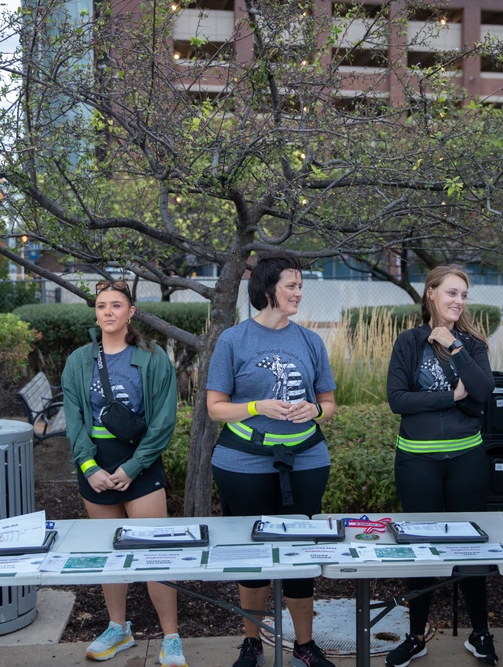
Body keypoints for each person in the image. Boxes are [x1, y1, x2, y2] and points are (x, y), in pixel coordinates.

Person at [206, 251, 337, 667]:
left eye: (300, 286)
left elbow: (329, 402)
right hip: (243, 463)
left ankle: (304, 644)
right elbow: (215, 408)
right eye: (291, 286)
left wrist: (314, 411)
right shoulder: (233, 340)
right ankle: (251, 643)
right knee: (253, 555)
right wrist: (257, 407)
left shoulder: (310, 341)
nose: (299, 292)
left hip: (307, 460)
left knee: (301, 553)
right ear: (267, 290)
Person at [61, 279, 185, 665]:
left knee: (154, 553)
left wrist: (133, 467)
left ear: (131, 312)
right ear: (95, 313)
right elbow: (74, 418)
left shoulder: (153, 358)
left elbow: (164, 421)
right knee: (108, 554)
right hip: (94, 465)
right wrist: (88, 465)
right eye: (101, 306)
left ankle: (171, 636)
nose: (109, 312)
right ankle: (119, 628)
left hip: (140, 463)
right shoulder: (79, 360)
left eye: (117, 305)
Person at [385, 265, 497, 667]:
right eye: (451, 293)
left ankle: (480, 632)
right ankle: (416, 636)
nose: (459, 301)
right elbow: (398, 399)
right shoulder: (409, 343)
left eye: (464, 295)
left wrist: (454, 347)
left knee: (472, 548)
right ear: (431, 293)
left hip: (466, 458)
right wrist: (452, 397)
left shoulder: (471, 344)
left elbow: (483, 391)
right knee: (420, 549)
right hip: (418, 461)